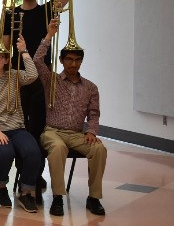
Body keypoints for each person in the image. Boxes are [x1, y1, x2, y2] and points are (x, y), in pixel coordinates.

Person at [2, 0, 77, 189]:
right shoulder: (10, 13)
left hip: (42, 76)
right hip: (18, 76)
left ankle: (36, 173)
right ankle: (24, 171)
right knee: (19, 125)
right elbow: (4, 48)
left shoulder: (47, 10)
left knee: (41, 126)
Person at [36, 19, 106, 216]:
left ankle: (94, 198)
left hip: (76, 134)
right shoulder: (52, 80)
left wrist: (92, 130)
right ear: (61, 61)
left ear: (81, 61)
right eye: (69, 60)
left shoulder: (91, 87)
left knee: (99, 148)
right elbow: (37, 61)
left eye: (77, 60)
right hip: (52, 132)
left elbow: (94, 114)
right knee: (58, 148)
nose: (73, 64)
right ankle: (58, 197)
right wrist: (49, 35)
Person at [0, 35, 41, 213]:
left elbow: (33, 75)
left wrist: (24, 52)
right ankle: (1, 187)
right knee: (5, 153)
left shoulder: (14, 76)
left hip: (17, 129)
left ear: (6, 60)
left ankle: (26, 192)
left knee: (33, 152)